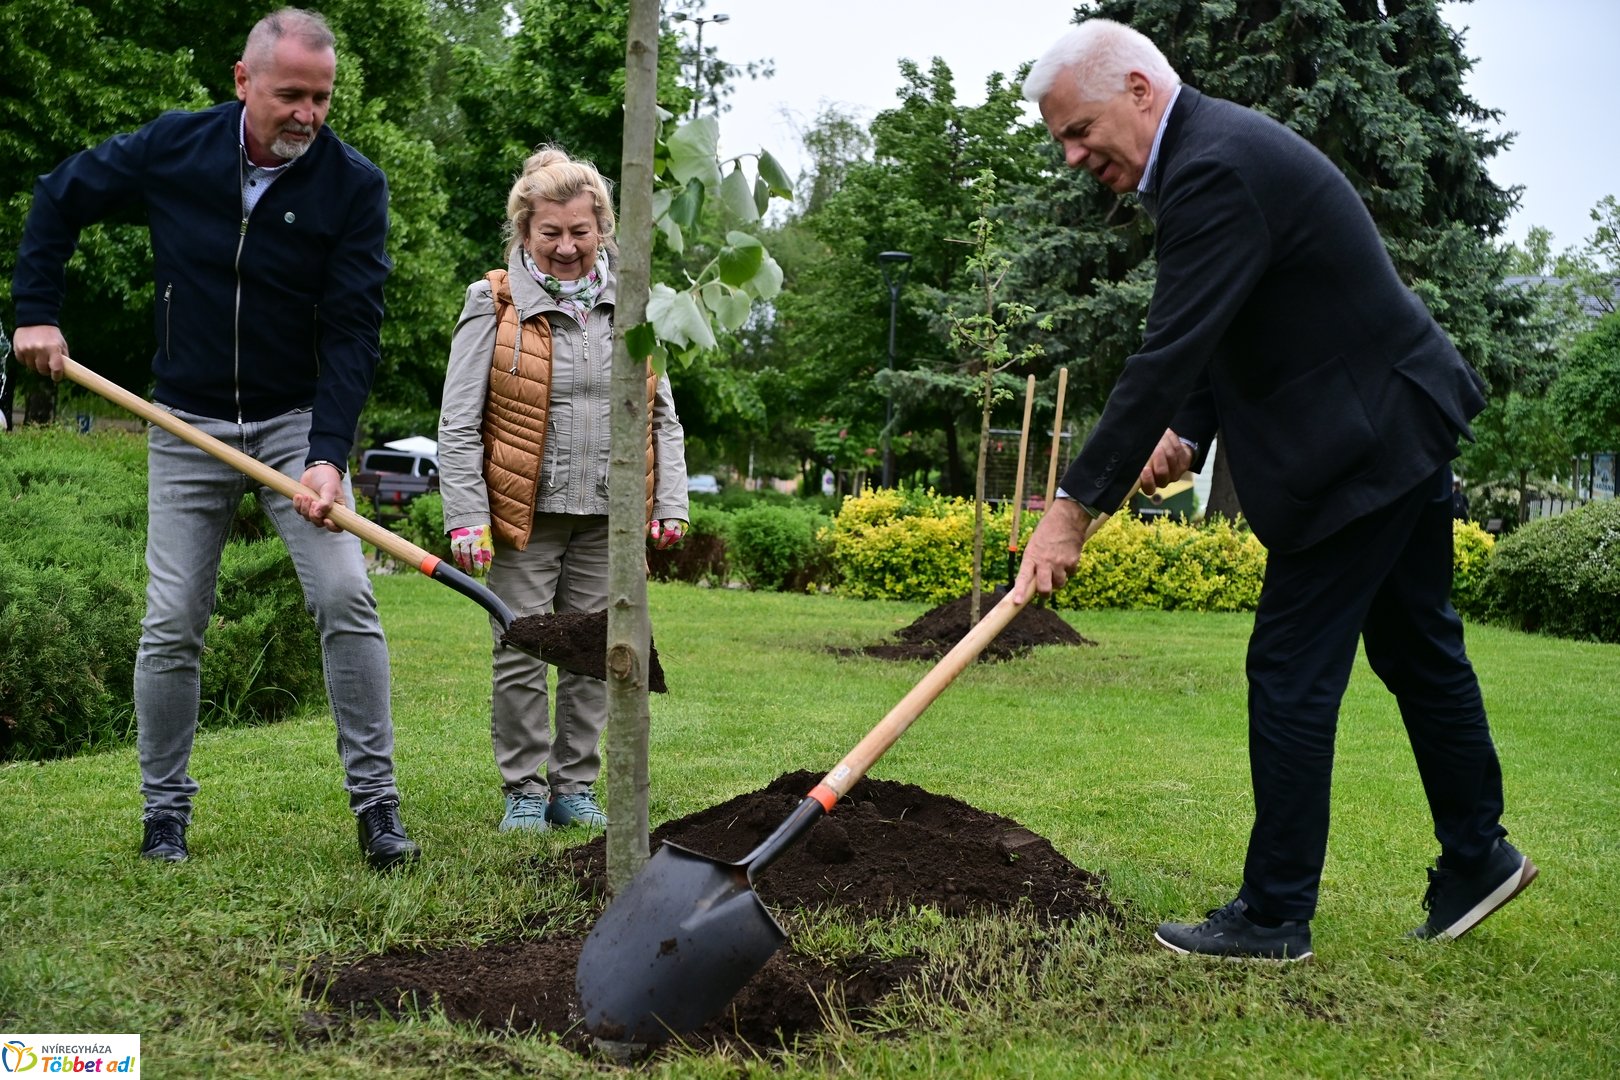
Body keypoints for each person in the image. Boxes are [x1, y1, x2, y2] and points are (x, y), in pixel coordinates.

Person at [1014, 20, 1535, 960]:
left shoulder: (1212, 168)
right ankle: (1478, 856)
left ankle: (1274, 913)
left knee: (1291, 673)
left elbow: (1167, 347)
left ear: (1138, 89)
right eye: (1061, 138)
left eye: (1079, 129)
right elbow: (1231, 324)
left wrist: (1069, 510)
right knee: (1420, 651)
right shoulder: (1216, 155)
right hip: (1393, 422)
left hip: (1361, 444)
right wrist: (1188, 431)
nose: (1072, 154)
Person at [11, 8, 419, 870]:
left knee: (346, 597)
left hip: (291, 426)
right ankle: (165, 818)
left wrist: (327, 455)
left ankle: (378, 811)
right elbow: (59, 194)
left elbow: (353, 331)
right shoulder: (176, 147)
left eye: (322, 96)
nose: (308, 113)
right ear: (243, 81)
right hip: (185, 421)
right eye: (290, 95)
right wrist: (37, 313)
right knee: (171, 622)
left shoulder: (353, 186)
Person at [437, 147, 689, 833]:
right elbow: (458, 423)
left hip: (607, 517)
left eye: (581, 231)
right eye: (551, 233)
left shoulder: (633, 303)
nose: (567, 247)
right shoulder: (492, 303)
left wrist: (669, 503)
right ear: (524, 232)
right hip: (523, 515)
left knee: (593, 652)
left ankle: (574, 787)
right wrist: (466, 516)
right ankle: (523, 789)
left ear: (603, 229)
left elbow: (661, 414)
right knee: (521, 647)